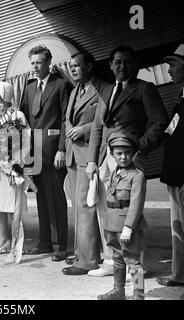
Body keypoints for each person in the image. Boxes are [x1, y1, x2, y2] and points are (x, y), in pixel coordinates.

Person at [85, 45, 169, 276]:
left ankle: (134, 266)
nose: (122, 66)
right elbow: (97, 127)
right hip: (105, 159)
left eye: (127, 62)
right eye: (118, 62)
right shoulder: (108, 90)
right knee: (106, 211)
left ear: (135, 65)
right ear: (111, 65)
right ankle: (111, 262)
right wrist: (92, 160)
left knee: (130, 212)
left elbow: (159, 122)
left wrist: (139, 149)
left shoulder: (145, 89)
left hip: (128, 159)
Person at [20, 45, 73, 261]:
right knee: (41, 199)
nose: (35, 66)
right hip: (34, 153)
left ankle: (60, 244)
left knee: (56, 200)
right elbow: (22, 118)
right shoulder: (29, 87)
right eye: (32, 63)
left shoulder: (61, 86)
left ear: (48, 63)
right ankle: (44, 242)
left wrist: (62, 148)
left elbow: (65, 120)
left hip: (53, 152)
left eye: (39, 62)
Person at [62, 52, 110, 275]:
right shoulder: (74, 91)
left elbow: (106, 122)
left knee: (86, 207)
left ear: (90, 66)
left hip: (89, 154)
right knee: (79, 208)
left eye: (77, 65)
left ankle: (87, 260)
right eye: (70, 66)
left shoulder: (103, 88)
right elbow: (67, 121)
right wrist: (63, 149)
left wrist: (84, 129)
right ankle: (82, 253)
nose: (72, 69)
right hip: (74, 155)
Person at [0, 81, 34, 264]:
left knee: (12, 206)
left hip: (11, 167)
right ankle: (3, 240)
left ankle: (15, 243)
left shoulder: (18, 115)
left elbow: (26, 140)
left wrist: (16, 160)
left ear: (6, 95)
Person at [97, 132, 147, 300]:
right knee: (117, 259)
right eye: (119, 153)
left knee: (133, 262)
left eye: (127, 153)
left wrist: (129, 227)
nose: (123, 157)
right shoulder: (115, 172)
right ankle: (118, 291)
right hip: (112, 224)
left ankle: (138, 295)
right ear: (112, 154)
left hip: (126, 226)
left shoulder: (137, 176)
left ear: (134, 154)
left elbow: (136, 204)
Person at [156, 44, 184, 287]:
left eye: (173, 65)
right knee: (179, 230)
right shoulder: (181, 96)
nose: (169, 71)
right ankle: (179, 275)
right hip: (176, 174)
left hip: (182, 175)